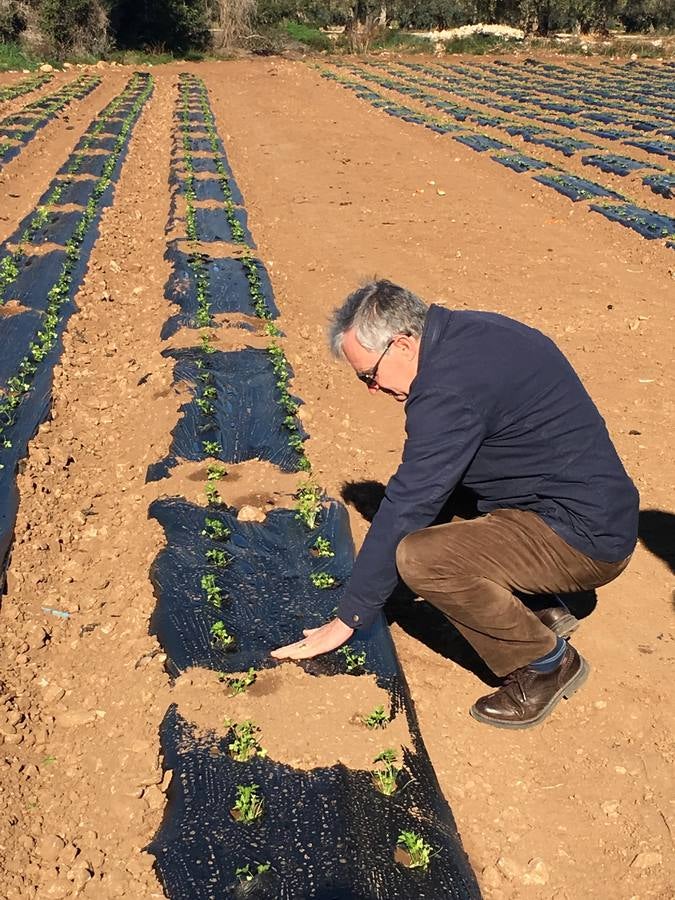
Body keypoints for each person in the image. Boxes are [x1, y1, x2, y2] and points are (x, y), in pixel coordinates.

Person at [271, 280, 639, 729]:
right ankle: (542, 607)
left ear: (402, 344)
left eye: (369, 375)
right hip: (588, 508)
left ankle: (546, 664)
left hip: (584, 538)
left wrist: (350, 616)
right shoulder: (471, 334)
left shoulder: (448, 389)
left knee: (422, 557)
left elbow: (410, 501)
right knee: (443, 499)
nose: (372, 389)